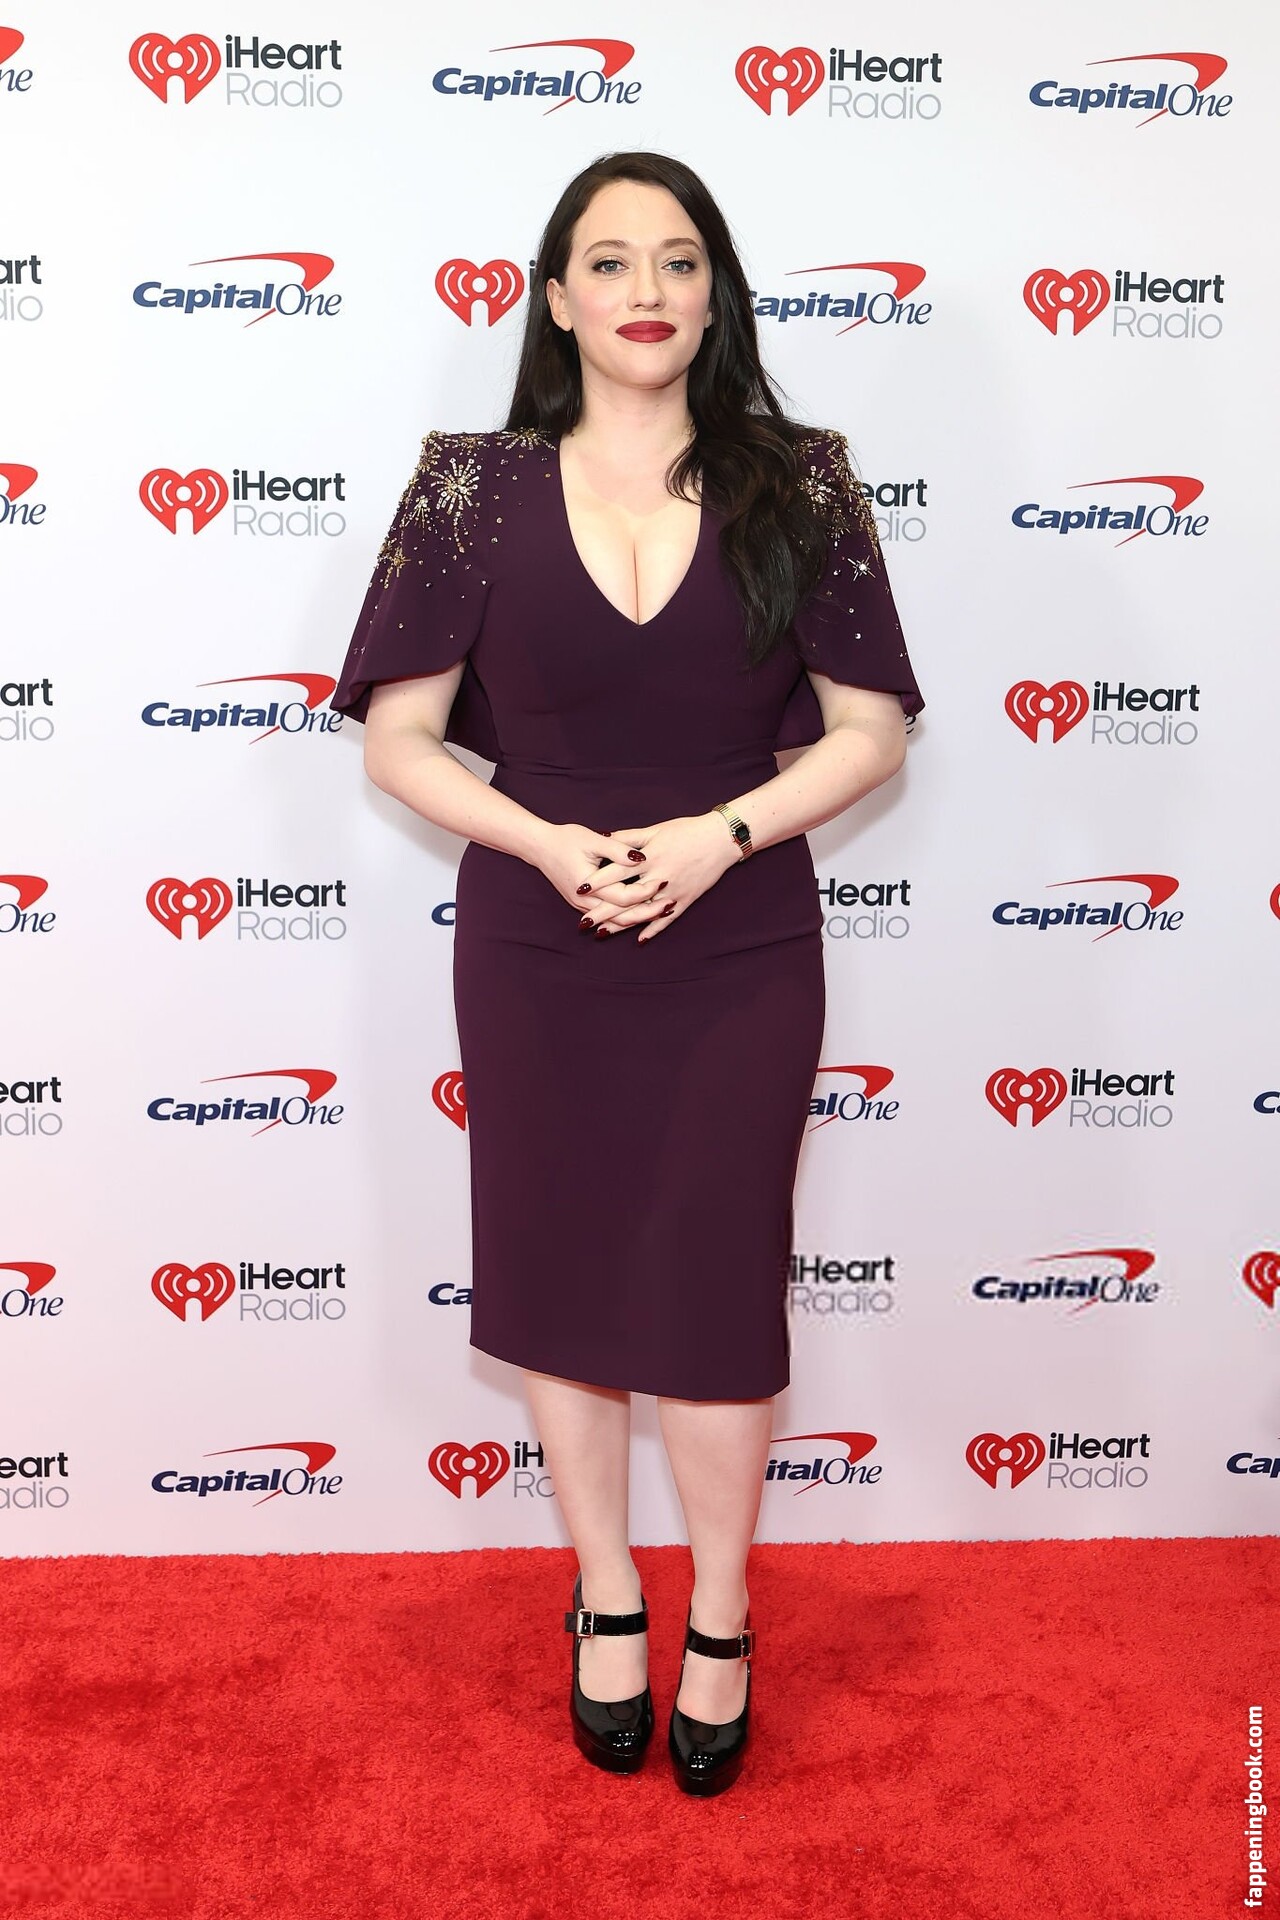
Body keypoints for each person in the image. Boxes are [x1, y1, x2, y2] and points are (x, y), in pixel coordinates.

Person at [331, 150, 923, 1797]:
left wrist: (719, 837)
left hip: (741, 936)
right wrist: (544, 844)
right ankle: (605, 1590)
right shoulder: (468, 488)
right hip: (539, 938)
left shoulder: (804, 482)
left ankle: (721, 1610)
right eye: (609, 260)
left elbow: (871, 733)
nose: (646, 289)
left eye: (678, 258)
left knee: (720, 1276)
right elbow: (399, 740)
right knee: (562, 1265)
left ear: (715, 293)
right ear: (556, 299)